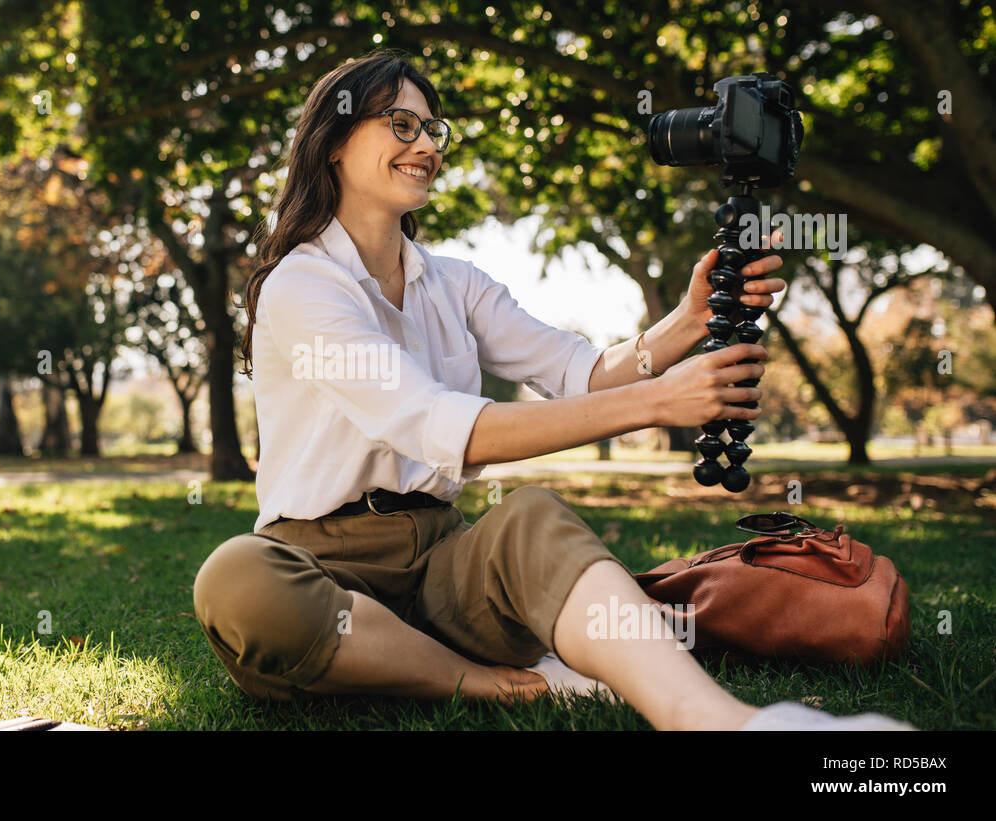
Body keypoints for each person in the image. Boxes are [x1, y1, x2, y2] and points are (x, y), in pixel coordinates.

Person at [193, 48, 913, 731]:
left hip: (442, 560)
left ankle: (720, 719)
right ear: (333, 145)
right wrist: (659, 401)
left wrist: (685, 324)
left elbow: (578, 370)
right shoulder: (301, 285)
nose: (427, 145)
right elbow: (437, 424)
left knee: (528, 517)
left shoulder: (455, 283)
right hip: (317, 565)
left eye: (434, 129)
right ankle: (497, 680)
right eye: (401, 125)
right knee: (235, 579)